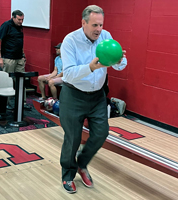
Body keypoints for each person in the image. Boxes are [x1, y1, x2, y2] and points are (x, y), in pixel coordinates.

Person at [59, 5, 127, 194]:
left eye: (101, 24)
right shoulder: (70, 41)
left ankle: (81, 164)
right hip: (73, 95)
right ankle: (67, 175)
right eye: (95, 25)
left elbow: (119, 64)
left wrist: (120, 61)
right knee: (72, 139)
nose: (99, 29)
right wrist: (90, 67)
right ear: (84, 23)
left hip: (97, 96)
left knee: (101, 133)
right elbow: (69, 74)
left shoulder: (106, 36)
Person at [0, 10, 30, 109]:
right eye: (19, 19)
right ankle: (7, 103)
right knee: (8, 81)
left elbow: (20, 42)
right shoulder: (6, 25)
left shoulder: (20, 27)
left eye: (22, 19)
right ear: (13, 17)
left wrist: (23, 55)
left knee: (21, 81)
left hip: (19, 59)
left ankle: (22, 103)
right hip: (8, 58)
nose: (21, 22)